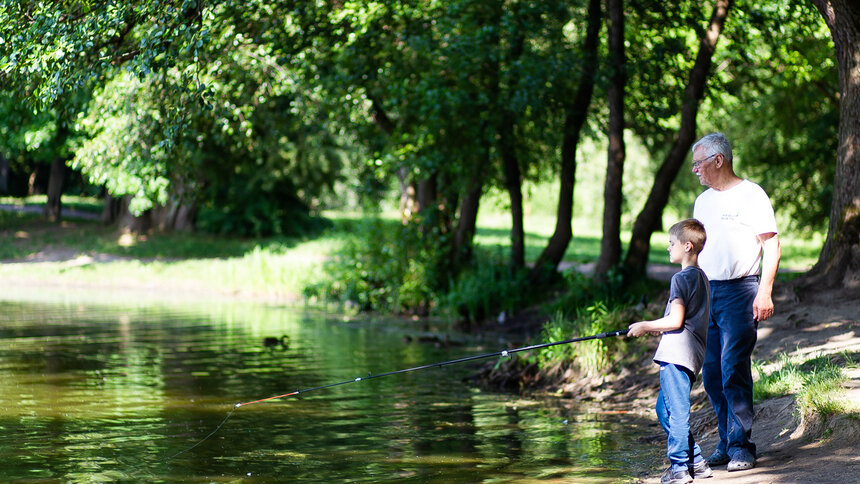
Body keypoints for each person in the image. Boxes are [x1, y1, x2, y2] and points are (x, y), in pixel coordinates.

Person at [690, 132, 781, 472]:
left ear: (718, 160)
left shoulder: (752, 194)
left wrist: (765, 291)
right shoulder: (702, 202)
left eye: (698, 164)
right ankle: (727, 442)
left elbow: (771, 246)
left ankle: (742, 445)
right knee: (712, 373)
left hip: (741, 291)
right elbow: (695, 253)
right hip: (707, 293)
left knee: (733, 367)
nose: (695, 170)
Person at [628, 219, 712, 484]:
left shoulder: (680, 278)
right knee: (663, 410)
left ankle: (678, 468)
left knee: (676, 412)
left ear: (687, 246)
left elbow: (675, 321)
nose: (668, 247)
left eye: (671, 243)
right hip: (691, 354)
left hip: (677, 355)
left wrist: (645, 326)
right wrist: (658, 328)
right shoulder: (702, 278)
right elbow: (683, 319)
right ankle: (696, 462)